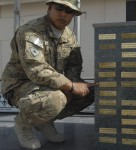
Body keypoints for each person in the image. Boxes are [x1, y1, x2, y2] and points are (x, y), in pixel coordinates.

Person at [1, 0, 95, 149]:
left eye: (69, 11)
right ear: (50, 7)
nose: (63, 13)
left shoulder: (69, 36)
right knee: (56, 98)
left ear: (73, 15)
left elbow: (74, 66)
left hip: (48, 85)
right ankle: (23, 123)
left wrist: (76, 83)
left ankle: (44, 121)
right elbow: (36, 69)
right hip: (19, 85)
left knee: (89, 92)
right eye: (59, 8)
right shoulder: (30, 31)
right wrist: (70, 86)